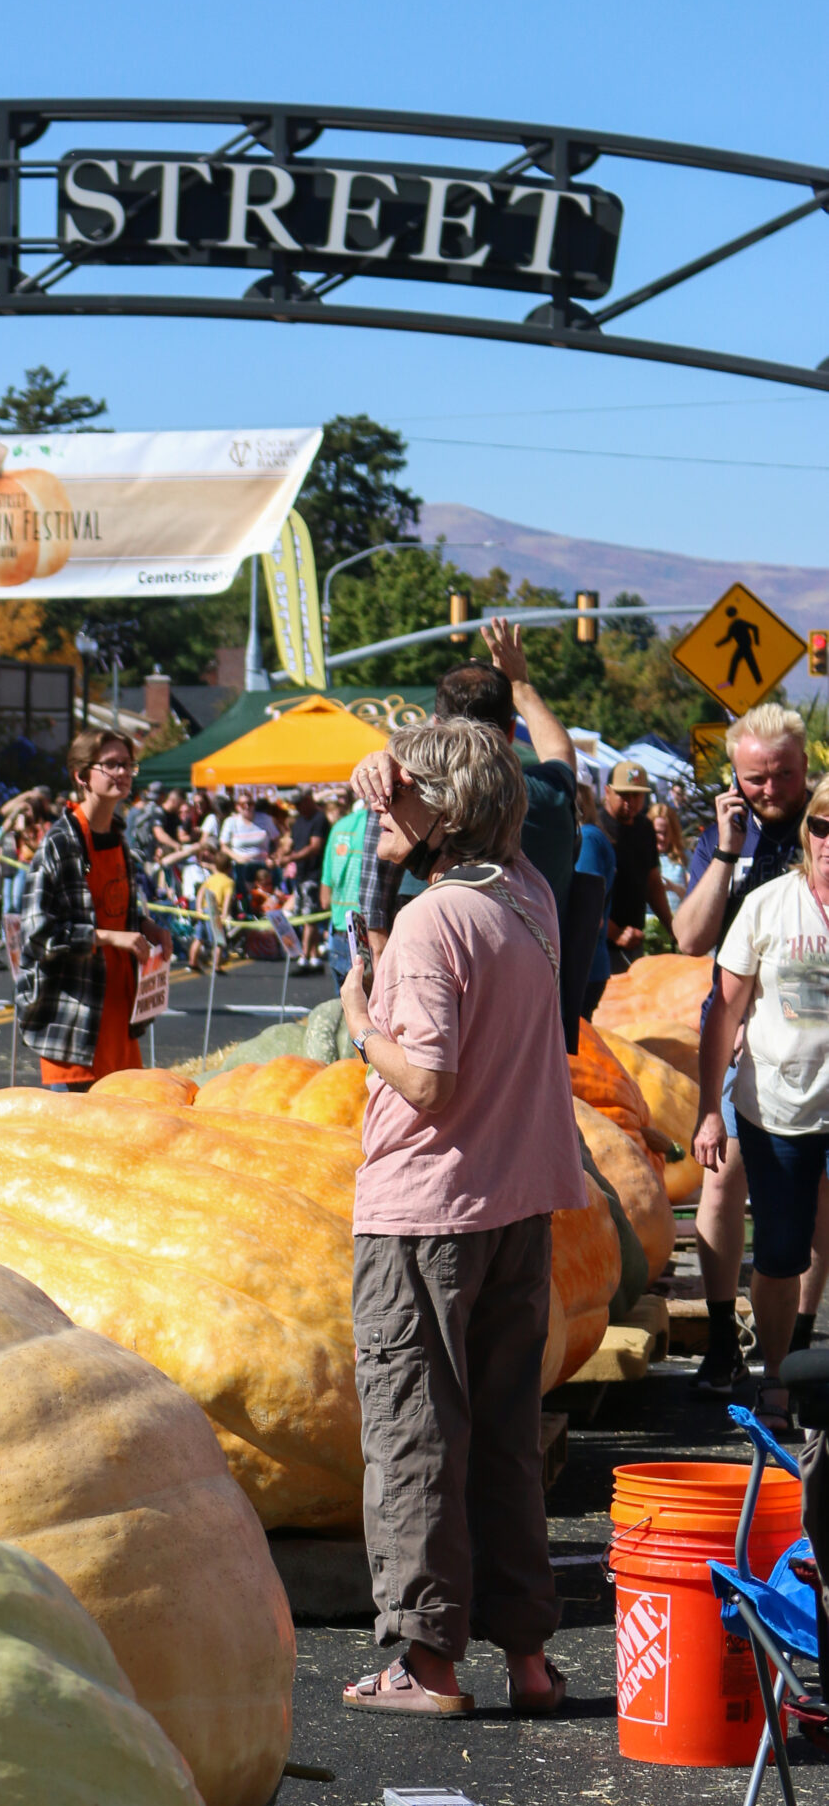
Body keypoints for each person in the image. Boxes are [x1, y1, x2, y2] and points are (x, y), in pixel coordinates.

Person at [338, 718, 584, 1717]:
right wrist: (390, 793)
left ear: (439, 810)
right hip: (519, 1203)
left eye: (401, 793)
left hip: (426, 1211)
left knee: (415, 1433)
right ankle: (527, 1656)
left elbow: (429, 1080)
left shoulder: (438, 920)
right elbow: (422, 847)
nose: (383, 807)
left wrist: (362, 1026)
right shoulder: (527, 895)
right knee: (505, 1438)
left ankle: (424, 1665)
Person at [674, 704, 823, 1390]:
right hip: (740, 1036)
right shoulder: (723, 837)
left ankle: (795, 1341)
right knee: (722, 1178)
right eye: (755, 778)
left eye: (783, 776)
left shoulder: (819, 819)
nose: (770, 790)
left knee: (809, 1207)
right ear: (734, 775)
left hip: (801, 1042)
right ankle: (722, 1339)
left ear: (805, 769)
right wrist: (727, 850)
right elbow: (688, 937)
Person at [350, 620, 578, 964]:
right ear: (511, 732)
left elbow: (377, 919)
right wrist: (521, 684)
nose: (385, 807)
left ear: (438, 731)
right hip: (542, 1008)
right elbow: (561, 754)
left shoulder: (416, 795)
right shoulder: (547, 798)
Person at [16, 730, 171, 1091]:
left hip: (120, 1020)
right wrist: (109, 937)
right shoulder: (59, 843)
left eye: (128, 764)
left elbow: (121, 912)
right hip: (75, 1026)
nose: (123, 772)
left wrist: (149, 928)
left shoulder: (118, 836)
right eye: (111, 764)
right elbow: (37, 935)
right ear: (81, 775)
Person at [599, 763, 674, 956]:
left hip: (634, 943)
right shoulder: (595, 830)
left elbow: (653, 881)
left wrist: (672, 927)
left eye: (637, 795)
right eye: (624, 794)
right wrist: (614, 932)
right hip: (598, 946)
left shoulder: (645, 828)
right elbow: (582, 897)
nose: (630, 802)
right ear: (608, 792)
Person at [573, 780, 618, 1018]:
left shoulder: (587, 839)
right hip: (587, 966)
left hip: (584, 968)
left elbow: (587, 912)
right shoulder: (588, 836)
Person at [320, 789, 365, 988]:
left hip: (338, 928)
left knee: (344, 1007)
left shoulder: (339, 826)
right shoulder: (380, 826)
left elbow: (324, 893)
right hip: (366, 933)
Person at [187, 848, 235, 974]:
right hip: (214, 912)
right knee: (218, 941)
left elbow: (201, 893)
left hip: (204, 910)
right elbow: (227, 899)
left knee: (199, 938)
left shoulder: (211, 878)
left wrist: (198, 908)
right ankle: (216, 966)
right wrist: (225, 914)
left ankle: (192, 962)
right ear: (229, 868)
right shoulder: (228, 882)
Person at [652, 799, 690, 909]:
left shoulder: (684, 856)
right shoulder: (642, 857)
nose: (662, 838)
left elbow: (694, 895)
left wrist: (673, 887)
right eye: (658, 833)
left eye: (666, 833)